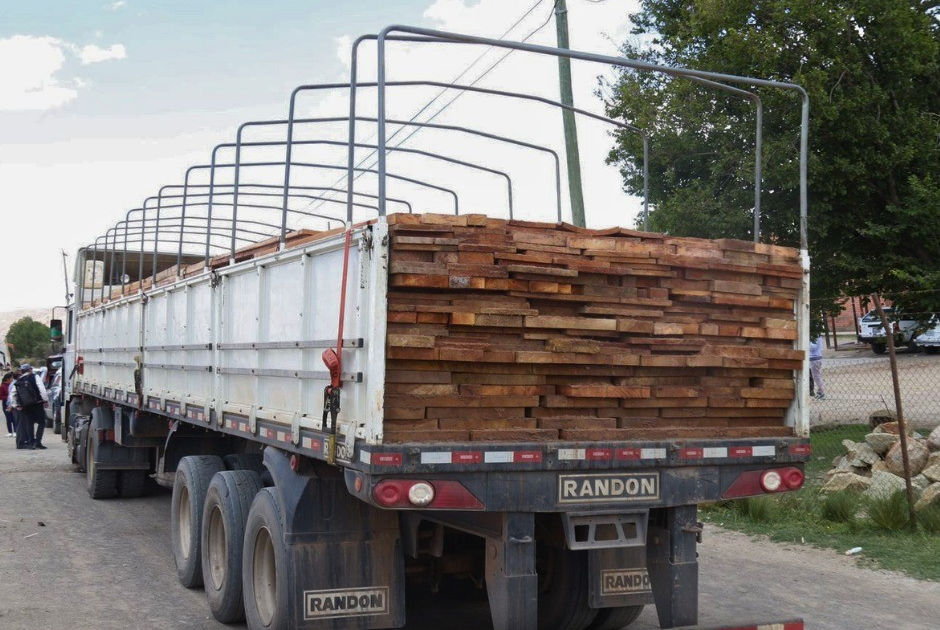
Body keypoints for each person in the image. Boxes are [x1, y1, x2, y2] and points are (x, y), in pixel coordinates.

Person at [10, 364, 49, 450]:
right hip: (37, 403)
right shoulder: (35, 377)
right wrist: (45, 400)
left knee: (29, 424)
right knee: (41, 422)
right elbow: (42, 389)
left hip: (26, 406)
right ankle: (38, 441)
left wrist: (16, 405)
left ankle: (31, 443)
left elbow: (13, 394)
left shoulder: (19, 380)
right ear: (30, 369)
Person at [809, 336, 826, 400]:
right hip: (816, 357)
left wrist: (807, 344)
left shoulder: (816, 337)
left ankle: (822, 392)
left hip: (815, 358)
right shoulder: (818, 336)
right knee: (816, 375)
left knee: (816, 376)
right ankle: (820, 391)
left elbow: (813, 347)